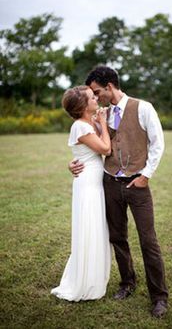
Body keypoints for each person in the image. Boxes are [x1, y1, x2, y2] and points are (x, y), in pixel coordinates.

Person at [69, 66, 168, 318]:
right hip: (109, 183)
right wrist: (71, 163)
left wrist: (146, 176)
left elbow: (158, 144)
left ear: (110, 86)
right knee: (117, 237)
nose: (95, 96)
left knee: (148, 240)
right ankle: (127, 283)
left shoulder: (143, 108)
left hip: (137, 184)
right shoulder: (98, 114)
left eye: (96, 91)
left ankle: (159, 296)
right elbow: (86, 144)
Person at [51, 85, 111, 301]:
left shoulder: (88, 122)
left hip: (94, 183)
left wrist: (100, 122)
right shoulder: (80, 126)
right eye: (91, 97)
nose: (95, 98)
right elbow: (105, 149)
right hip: (88, 185)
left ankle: (92, 275)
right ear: (83, 106)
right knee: (89, 227)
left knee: (94, 227)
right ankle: (85, 280)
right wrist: (103, 123)